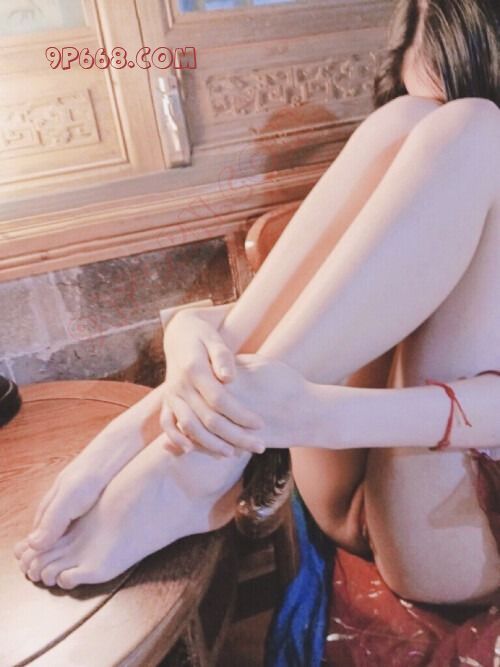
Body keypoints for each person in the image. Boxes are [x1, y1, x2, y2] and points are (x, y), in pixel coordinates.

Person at [14, 0, 500, 609]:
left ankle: (199, 459)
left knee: (477, 127)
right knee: (403, 121)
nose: (438, 144)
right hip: (355, 480)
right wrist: (187, 343)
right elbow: (316, 310)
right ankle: (172, 447)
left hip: (466, 524)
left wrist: (309, 415)